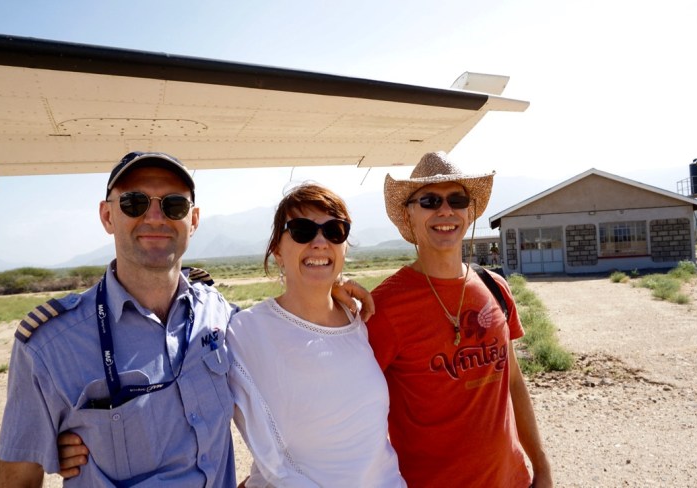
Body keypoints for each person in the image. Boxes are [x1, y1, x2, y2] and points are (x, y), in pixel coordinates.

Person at [0, 151, 238, 486]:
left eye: (174, 205)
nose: (155, 217)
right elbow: (19, 477)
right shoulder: (48, 346)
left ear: (193, 220)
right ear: (107, 216)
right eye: (134, 203)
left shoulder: (218, 313)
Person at [367, 151, 553, 487]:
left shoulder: (494, 287)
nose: (445, 210)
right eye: (429, 201)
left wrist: (541, 465)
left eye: (457, 200)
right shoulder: (384, 308)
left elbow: (513, 382)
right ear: (408, 214)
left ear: (470, 212)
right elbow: (355, 409)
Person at [227, 183, 404, 486]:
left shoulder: (358, 320)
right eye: (302, 230)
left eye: (335, 231)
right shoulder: (246, 332)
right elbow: (274, 465)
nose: (320, 242)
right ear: (277, 251)